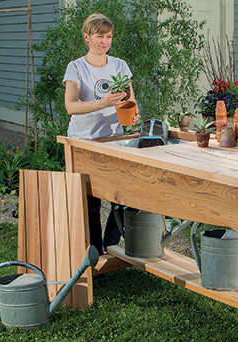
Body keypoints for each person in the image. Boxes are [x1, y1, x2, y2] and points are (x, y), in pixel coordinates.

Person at [63, 13, 139, 254]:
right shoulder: (76, 68)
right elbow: (71, 106)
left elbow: (130, 100)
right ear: (87, 37)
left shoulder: (120, 66)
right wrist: (103, 103)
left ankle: (111, 245)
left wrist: (132, 114)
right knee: (90, 202)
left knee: (122, 197)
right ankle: (93, 253)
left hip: (113, 140)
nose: (104, 41)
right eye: (99, 36)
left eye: (108, 36)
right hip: (83, 142)